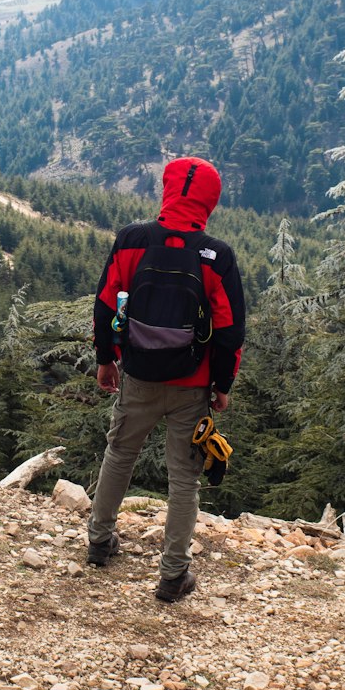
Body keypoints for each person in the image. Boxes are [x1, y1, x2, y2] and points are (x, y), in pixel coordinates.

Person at [87, 156, 246, 602]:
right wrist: (222, 386)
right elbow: (230, 330)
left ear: (167, 190)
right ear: (209, 201)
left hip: (136, 375)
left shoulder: (131, 239)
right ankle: (173, 575)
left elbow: (104, 304)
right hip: (190, 385)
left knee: (119, 455)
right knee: (184, 480)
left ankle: (99, 542)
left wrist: (106, 360)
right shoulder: (217, 256)